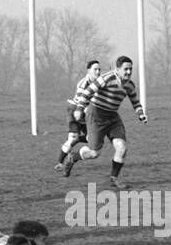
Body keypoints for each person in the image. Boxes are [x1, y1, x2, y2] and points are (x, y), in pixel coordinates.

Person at [60, 55, 147, 183]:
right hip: (96, 115)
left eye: (130, 69)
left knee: (122, 147)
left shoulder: (129, 85)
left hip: (113, 117)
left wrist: (140, 113)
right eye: (125, 69)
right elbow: (87, 92)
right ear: (117, 69)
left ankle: (114, 179)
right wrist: (79, 109)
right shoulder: (106, 79)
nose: (128, 72)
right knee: (94, 153)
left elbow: (135, 101)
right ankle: (73, 157)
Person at [56, 60, 100, 169]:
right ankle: (60, 163)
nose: (98, 72)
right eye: (95, 69)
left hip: (86, 114)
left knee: (92, 139)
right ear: (89, 70)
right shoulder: (83, 84)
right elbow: (81, 104)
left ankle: (74, 153)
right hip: (75, 111)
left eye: (99, 69)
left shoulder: (99, 82)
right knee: (72, 138)